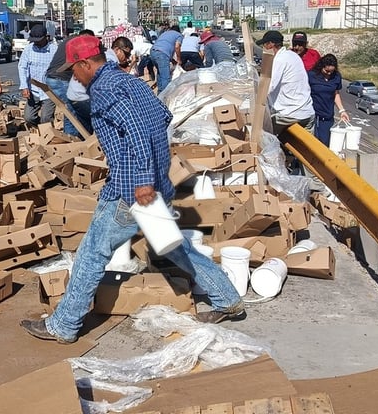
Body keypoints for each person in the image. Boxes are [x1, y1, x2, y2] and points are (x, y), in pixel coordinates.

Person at [20, 35, 245, 345]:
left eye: (75, 70)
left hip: (131, 190)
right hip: (156, 184)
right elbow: (163, 117)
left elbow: (138, 133)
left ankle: (64, 325)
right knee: (173, 246)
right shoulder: (132, 82)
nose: (75, 77)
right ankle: (226, 297)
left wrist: (142, 180)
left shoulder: (104, 90)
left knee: (91, 252)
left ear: (86, 64)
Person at [256, 30, 315, 138]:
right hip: (307, 112)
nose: (263, 49)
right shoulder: (292, 55)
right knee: (304, 152)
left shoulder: (279, 60)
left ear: (271, 44)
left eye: (264, 45)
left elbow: (267, 87)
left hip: (289, 114)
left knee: (260, 132)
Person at [18, 25, 57, 128]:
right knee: (28, 117)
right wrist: (24, 86)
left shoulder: (54, 50)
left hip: (49, 91)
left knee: (46, 118)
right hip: (33, 90)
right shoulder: (28, 49)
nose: (35, 42)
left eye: (38, 40)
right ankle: (39, 130)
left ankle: (47, 135)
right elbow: (22, 67)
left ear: (46, 37)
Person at [307, 53, 349, 147]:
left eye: (331, 71)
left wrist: (342, 110)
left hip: (327, 117)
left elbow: (336, 93)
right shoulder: (311, 75)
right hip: (313, 116)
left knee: (325, 145)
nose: (329, 74)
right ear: (321, 67)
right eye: (326, 71)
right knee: (312, 145)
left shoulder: (336, 76)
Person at [150, 24, 183, 93]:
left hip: (153, 52)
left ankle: (160, 94)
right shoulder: (179, 35)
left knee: (160, 73)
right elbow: (177, 47)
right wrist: (179, 59)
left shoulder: (165, 33)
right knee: (165, 77)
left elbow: (164, 46)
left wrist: (173, 60)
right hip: (162, 54)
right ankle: (165, 96)